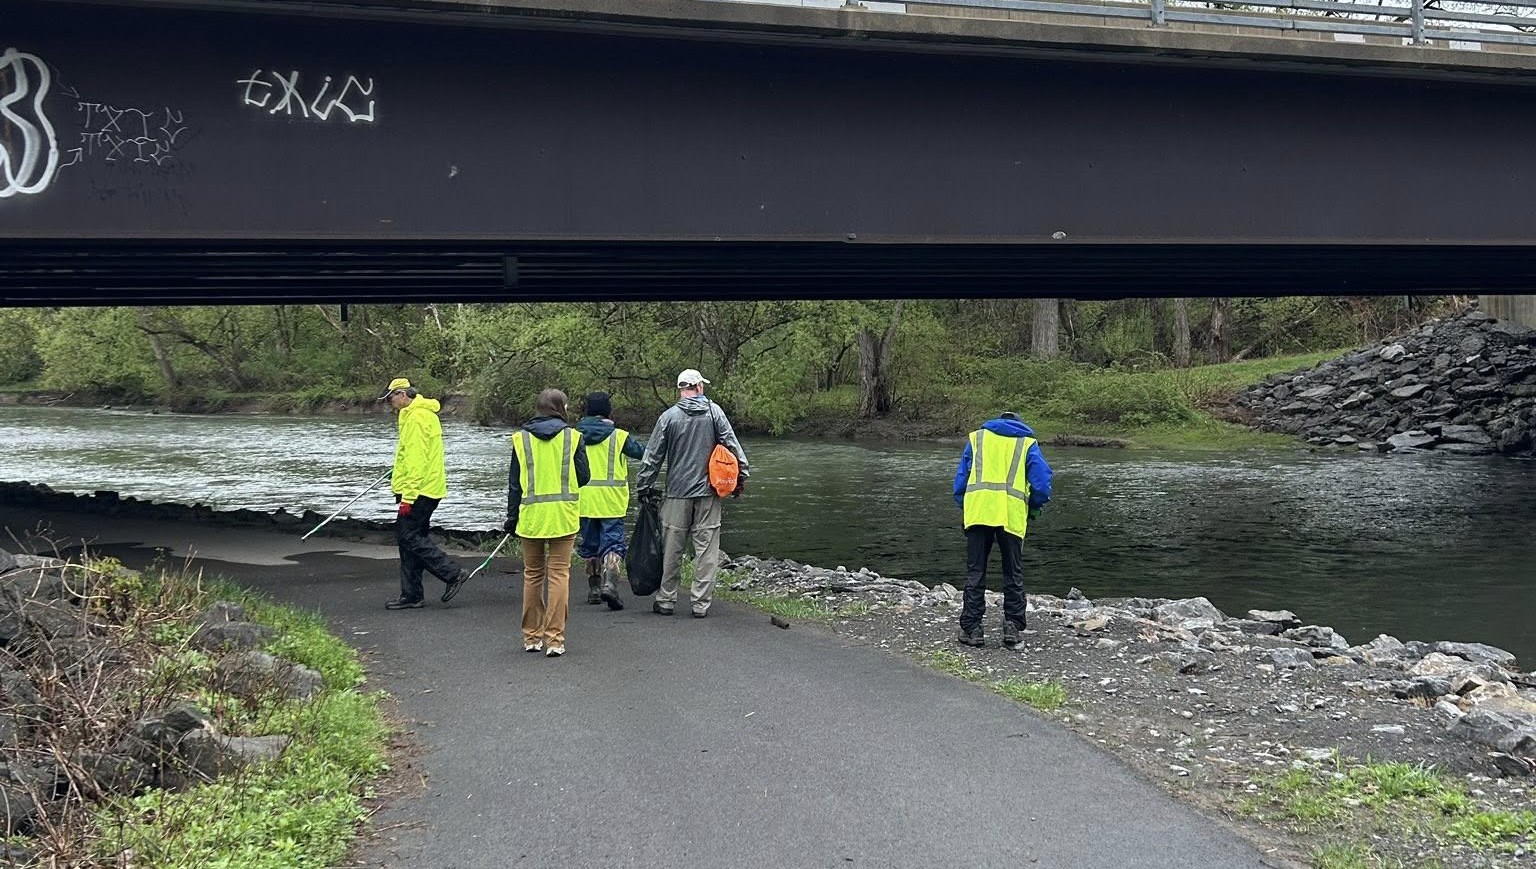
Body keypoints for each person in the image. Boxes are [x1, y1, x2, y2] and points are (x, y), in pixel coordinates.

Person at [634, 369, 749, 618]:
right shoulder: (714, 413)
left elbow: (652, 457)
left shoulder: (668, 417)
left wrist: (643, 485)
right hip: (709, 493)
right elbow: (732, 444)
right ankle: (700, 604)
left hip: (676, 493)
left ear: (681, 389)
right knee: (706, 550)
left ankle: (666, 599)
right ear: (698, 386)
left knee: (671, 549)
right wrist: (742, 475)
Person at [952, 411, 1053, 648]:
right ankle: (1013, 627)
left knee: (976, 571)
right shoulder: (1027, 443)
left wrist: (965, 505)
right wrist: (1035, 506)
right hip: (1011, 515)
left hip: (978, 513)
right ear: (1019, 424)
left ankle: (972, 629)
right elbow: (1042, 483)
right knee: (1013, 573)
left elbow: (961, 480)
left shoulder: (978, 439)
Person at [504, 388, 590, 657]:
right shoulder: (573, 438)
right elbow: (584, 476)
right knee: (559, 574)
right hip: (563, 517)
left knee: (532, 575)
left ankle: (531, 637)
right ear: (560, 408)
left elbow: (514, 485)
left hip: (531, 517)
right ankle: (555, 640)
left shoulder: (520, 440)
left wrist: (511, 517)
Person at [381, 377, 470, 610]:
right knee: (409, 539)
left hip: (420, 490)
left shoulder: (417, 418)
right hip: (425, 487)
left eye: (390, 397)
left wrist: (407, 497)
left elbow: (416, 461)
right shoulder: (414, 415)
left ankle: (452, 573)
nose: (389, 403)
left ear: (402, 395)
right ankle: (411, 595)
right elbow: (409, 456)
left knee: (409, 536)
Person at [575, 391, 646, 611]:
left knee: (589, 545)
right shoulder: (619, 436)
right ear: (608, 411)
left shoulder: (572, 435)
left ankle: (594, 588)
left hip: (584, 500)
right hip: (611, 501)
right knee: (613, 544)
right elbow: (645, 453)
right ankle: (610, 584)